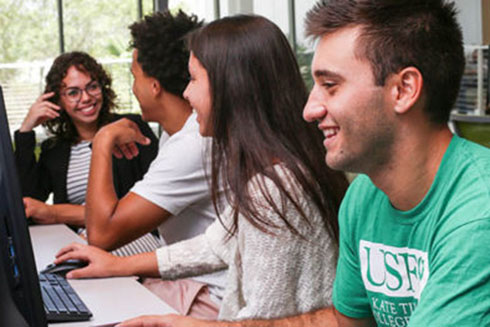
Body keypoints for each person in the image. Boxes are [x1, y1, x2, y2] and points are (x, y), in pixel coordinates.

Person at [116, 0, 490, 326]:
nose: (309, 109)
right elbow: (345, 320)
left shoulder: (478, 214)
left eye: (331, 85)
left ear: (403, 90)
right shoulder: (364, 195)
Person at [55, 14, 349, 323]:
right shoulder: (275, 165)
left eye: (194, 79)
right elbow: (216, 243)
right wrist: (116, 266)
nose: (186, 93)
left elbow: (263, 316)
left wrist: (187, 323)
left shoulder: (273, 189)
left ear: (229, 87)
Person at [83, 11, 228, 319]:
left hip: (212, 296)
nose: (133, 89)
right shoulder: (177, 136)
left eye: (135, 78)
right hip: (193, 280)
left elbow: (102, 234)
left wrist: (102, 141)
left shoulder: (194, 143)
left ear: (154, 86)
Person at [14, 51, 158, 228]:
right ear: (58, 100)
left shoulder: (129, 127)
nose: (86, 98)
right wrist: (26, 130)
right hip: (74, 239)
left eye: (92, 87)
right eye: (73, 92)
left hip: (132, 235)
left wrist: (55, 213)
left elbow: (150, 203)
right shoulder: (54, 150)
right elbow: (29, 205)